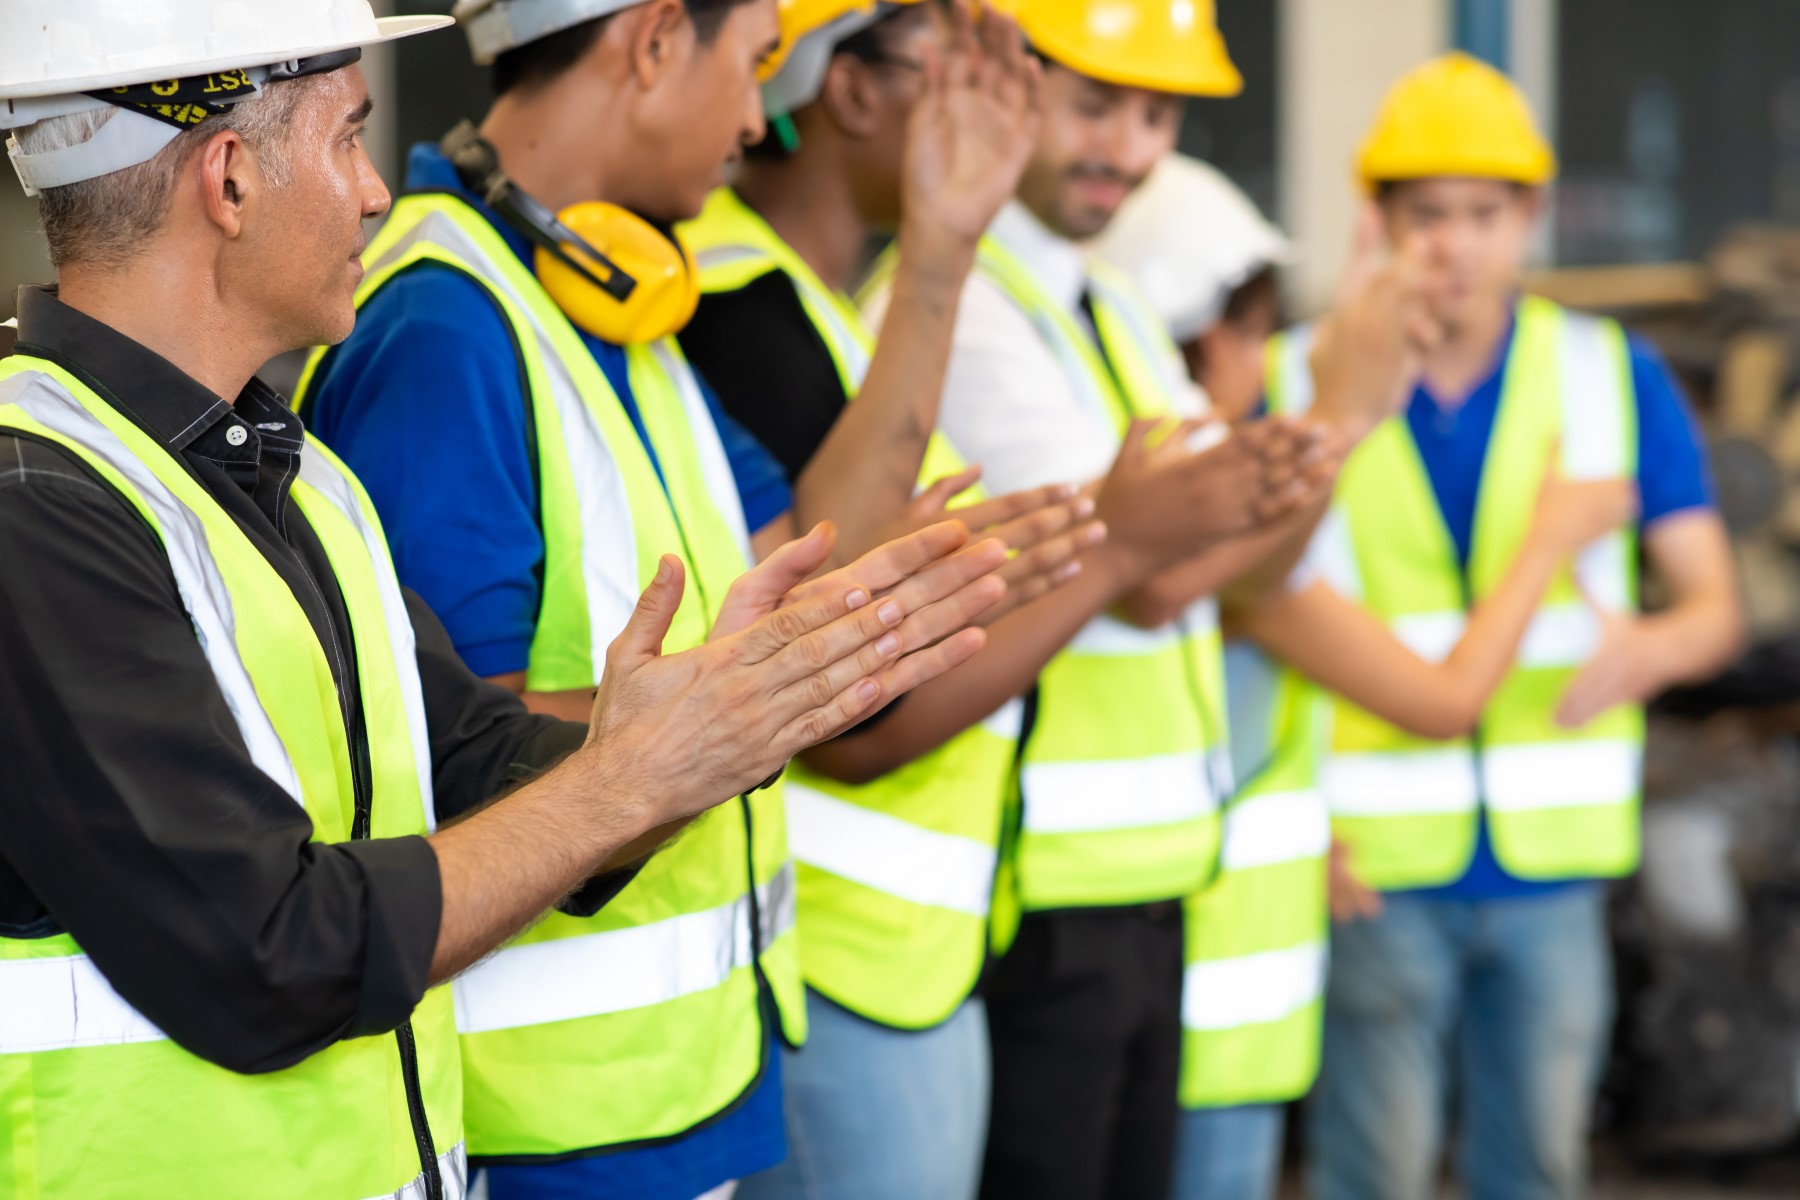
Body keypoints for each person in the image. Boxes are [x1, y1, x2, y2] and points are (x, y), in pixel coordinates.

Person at [0, 2, 1009, 1198]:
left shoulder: (290, 476)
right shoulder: (35, 508)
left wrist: (725, 715)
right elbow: (269, 950)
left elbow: (475, 754)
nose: (375, 192)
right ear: (229, 180)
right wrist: (634, 776)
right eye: (347, 139)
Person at [293, 1, 1077, 1198]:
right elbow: (451, 752)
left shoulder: (610, 301)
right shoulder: (442, 328)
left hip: (680, 1096)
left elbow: (812, 559)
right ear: (657, 37)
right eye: (753, 64)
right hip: (548, 1132)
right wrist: (740, 705)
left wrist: (940, 248)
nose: (759, 119)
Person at [675, 11, 1325, 1199]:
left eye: (1158, 113)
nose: (995, 123)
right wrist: (1124, 543)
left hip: (936, 925)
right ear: (850, 91)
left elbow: (1199, 542)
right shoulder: (752, 301)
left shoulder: (842, 303)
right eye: (960, 82)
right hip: (868, 936)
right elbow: (850, 696)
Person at [870, 3, 1435, 1196]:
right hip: (1044, 891)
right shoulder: (967, 312)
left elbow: (1241, 565)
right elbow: (1154, 573)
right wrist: (1339, 416)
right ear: (1010, 86)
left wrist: (1322, 436)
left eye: (1158, 114)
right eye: (1095, 105)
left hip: (1149, 879)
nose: (1127, 150)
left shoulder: (1110, 308)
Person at [1097, 152, 1641, 1200]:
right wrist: (1544, 539)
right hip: (1213, 990)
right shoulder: (1241, 567)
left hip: (1190, 985)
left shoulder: (1180, 551)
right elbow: (1442, 702)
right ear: (1216, 346)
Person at [1263, 53, 1743, 1200]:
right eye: (1429, 215)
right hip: (1369, 863)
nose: (1457, 246)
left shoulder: (1609, 373)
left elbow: (1715, 608)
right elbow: (1242, 632)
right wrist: (1287, 827)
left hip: (1551, 869)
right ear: (1378, 221)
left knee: (1534, 1170)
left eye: (1485, 214)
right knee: (1371, 1174)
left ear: (1531, 216)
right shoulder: (1295, 381)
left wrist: (1657, 647)